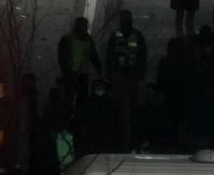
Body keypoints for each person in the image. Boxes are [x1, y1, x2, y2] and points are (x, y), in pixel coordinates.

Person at [105, 10, 149, 149]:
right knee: (121, 102)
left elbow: (142, 54)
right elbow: (110, 55)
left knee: (131, 102)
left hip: (130, 73)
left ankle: (128, 129)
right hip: (121, 73)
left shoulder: (133, 35)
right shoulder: (121, 35)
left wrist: (140, 71)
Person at [57, 16, 102, 114]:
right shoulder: (68, 39)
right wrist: (66, 72)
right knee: (70, 101)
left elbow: (94, 56)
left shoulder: (87, 40)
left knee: (80, 101)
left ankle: (76, 122)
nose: (83, 27)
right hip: (71, 74)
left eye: (84, 25)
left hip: (81, 75)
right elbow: (62, 57)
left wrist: (99, 69)